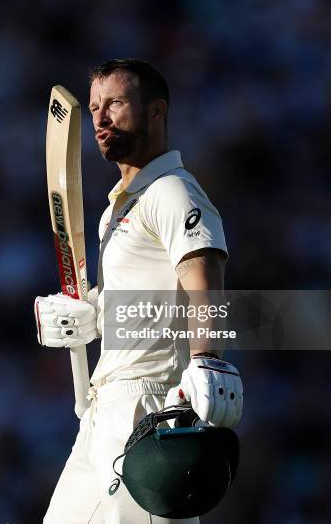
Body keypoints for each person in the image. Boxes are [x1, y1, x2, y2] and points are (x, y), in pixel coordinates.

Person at [35, 59, 243, 524]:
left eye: (115, 104)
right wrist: (88, 312)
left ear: (156, 111)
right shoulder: (118, 207)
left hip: (148, 408)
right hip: (102, 411)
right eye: (93, 109)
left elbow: (201, 270)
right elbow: (142, 294)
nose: (101, 119)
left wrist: (206, 356)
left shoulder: (172, 191)